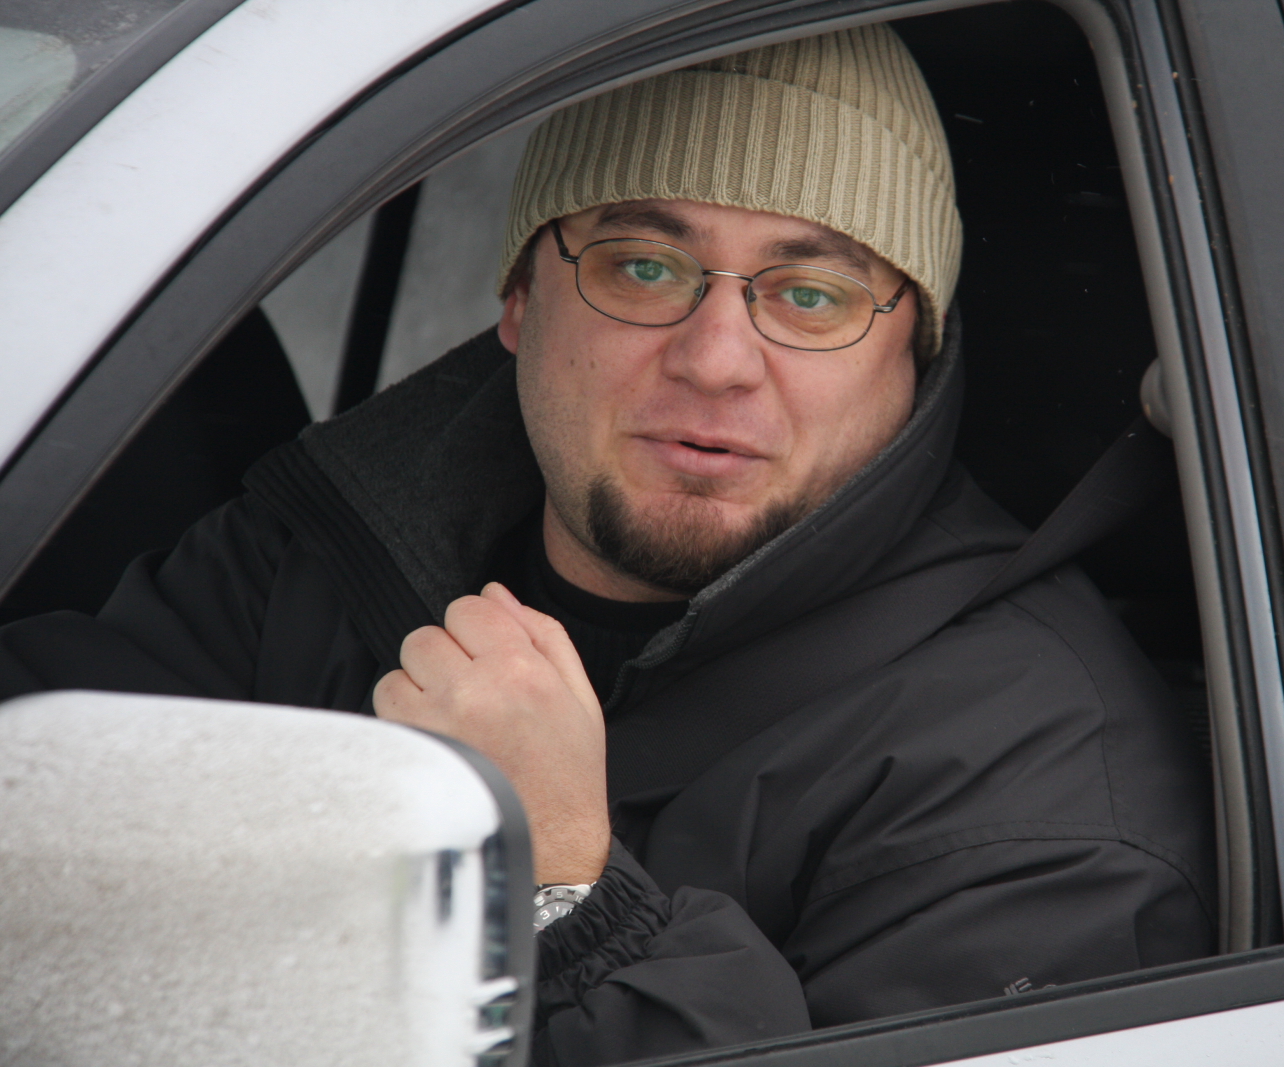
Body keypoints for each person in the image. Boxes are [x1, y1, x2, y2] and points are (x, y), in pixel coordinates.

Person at [0, 24, 1213, 1066]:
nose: (716, 358)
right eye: (643, 266)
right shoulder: (337, 539)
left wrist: (568, 896)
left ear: (915, 351)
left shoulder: (1040, 795)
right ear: (521, 299)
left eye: (810, 295)